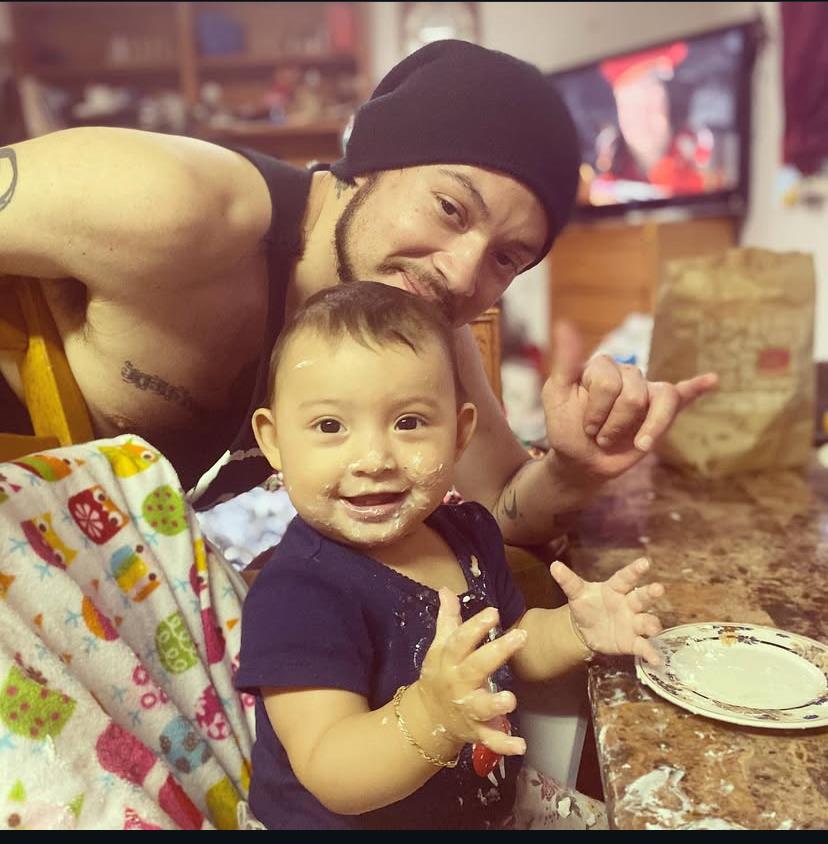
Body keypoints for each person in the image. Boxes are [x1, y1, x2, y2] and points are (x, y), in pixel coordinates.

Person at [0, 39, 717, 551]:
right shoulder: (173, 206)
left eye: (506, 257)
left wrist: (573, 468)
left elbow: (500, 512)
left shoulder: (410, 323)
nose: (463, 276)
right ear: (374, 157)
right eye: (450, 209)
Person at [235, 281, 665, 829]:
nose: (373, 458)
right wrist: (432, 716)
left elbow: (509, 648)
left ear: (460, 434)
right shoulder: (297, 595)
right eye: (330, 426)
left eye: (408, 422)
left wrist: (576, 631)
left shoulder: (469, 534)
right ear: (274, 442)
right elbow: (330, 767)